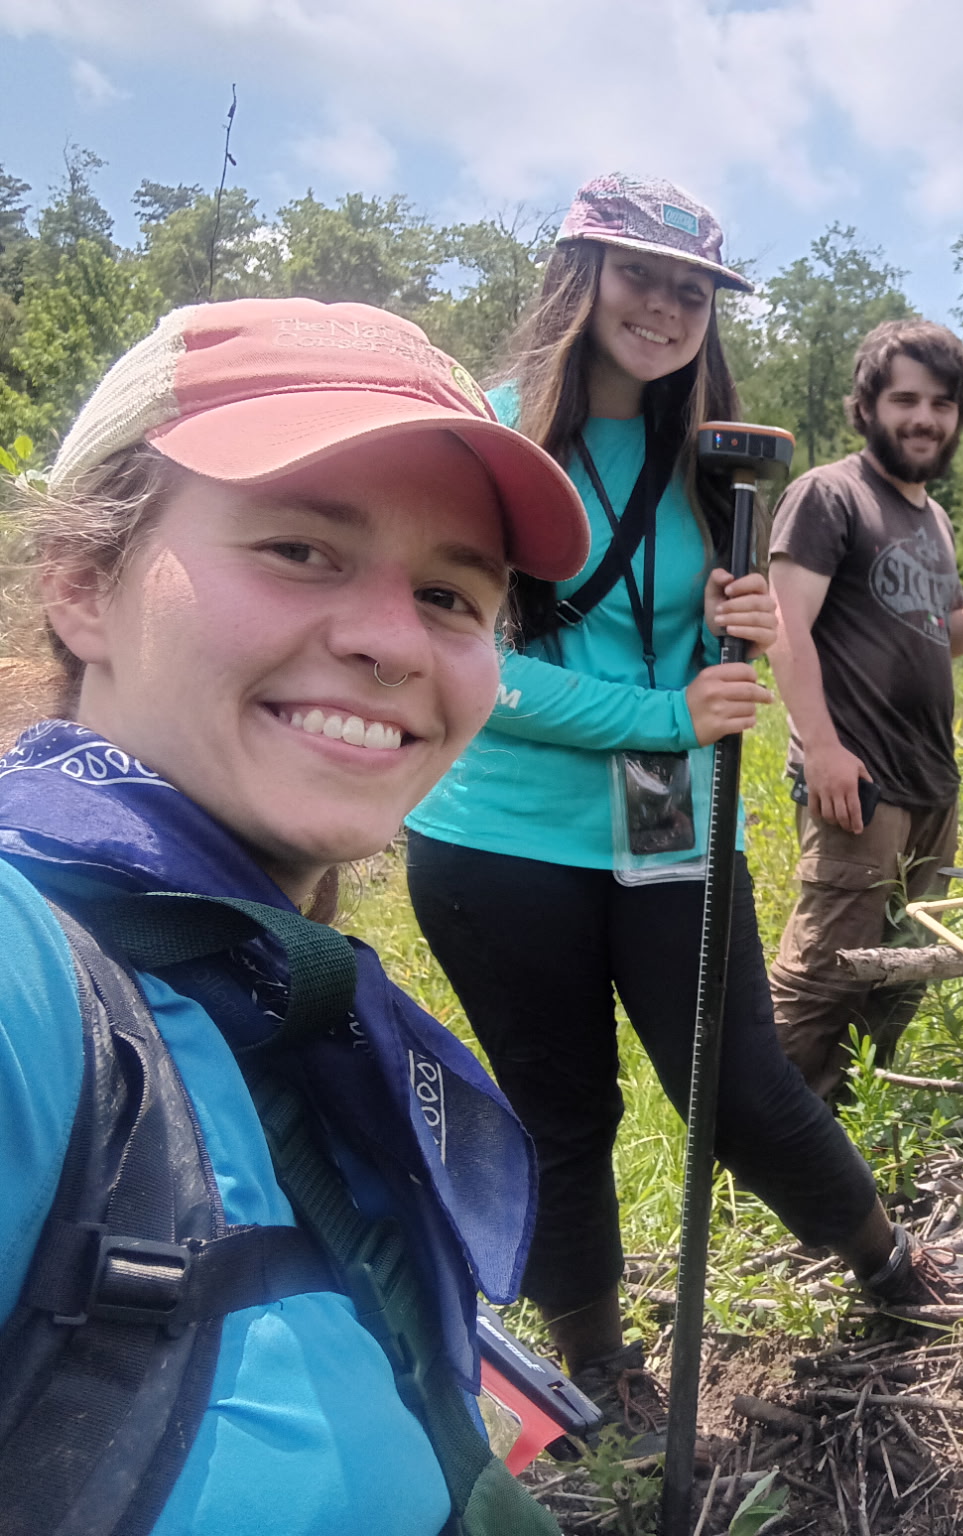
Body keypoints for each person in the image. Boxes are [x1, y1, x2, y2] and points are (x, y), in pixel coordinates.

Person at [403, 177, 963, 1434]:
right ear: (579, 277)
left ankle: (892, 1271)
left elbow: (700, 657)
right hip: (499, 839)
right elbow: (458, 655)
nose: (666, 307)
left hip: (672, 828)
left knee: (740, 1085)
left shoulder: (716, 458)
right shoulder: (487, 435)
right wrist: (663, 716)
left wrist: (730, 634)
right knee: (562, 1109)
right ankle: (599, 1366)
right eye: (639, 275)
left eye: (693, 290)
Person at [0, 297, 591, 1533]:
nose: (394, 642)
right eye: (300, 550)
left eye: (451, 595)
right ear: (83, 583)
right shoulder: (29, 977)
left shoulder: (268, 995)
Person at [766, 319, 963, 1101]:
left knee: (902, 975)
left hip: (931, 784)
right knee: (824, 977)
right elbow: (784, 626)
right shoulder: (828, 495)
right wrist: (822, 749)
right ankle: (761, 1140)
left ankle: (845, 1129)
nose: (924, 418)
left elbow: (946, 634)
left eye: (941, 403)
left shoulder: (933, 519)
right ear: (867, 406)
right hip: (857, 781)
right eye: (904, 400)